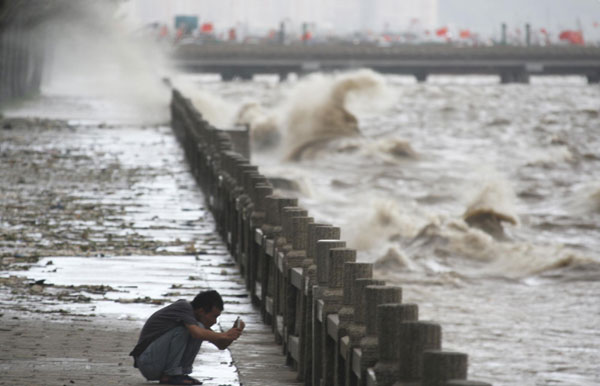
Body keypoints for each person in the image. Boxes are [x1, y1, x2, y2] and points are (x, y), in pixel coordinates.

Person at [130, 290, 244, 385]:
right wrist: (225, 334)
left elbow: (220, 344)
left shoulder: (194, 321)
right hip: (147, 361)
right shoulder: (183, 307)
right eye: (214, 316)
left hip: (155, 363)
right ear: (201, 311)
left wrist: (233, 335)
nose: (214, 321)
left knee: (199, 329)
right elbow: (197, 333)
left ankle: (180, 374)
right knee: (192, 330)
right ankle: (172, 374)